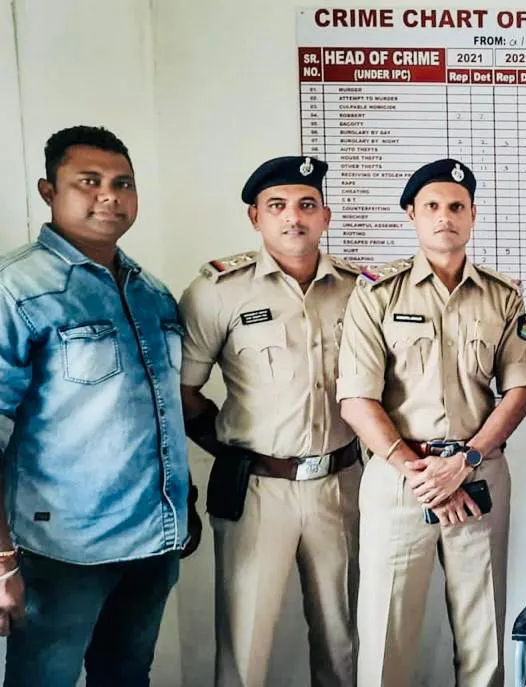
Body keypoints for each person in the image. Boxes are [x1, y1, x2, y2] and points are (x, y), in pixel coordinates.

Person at [0, 125, 192, 686]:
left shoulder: (151, 292)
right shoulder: (16, 289)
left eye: (122, 183)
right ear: (48, 191)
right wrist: (1, 561)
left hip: (152, 542)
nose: (109, 196)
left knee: (126, 676)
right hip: (60, 551)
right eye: (89, 181)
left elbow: (163, 410)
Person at [337, 158, 526, 687]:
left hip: (478, 476)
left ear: (472, 215)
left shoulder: (502, 295)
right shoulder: (377, 293)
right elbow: (356, 399)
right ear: (412, 214)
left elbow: (518, 393)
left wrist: (463, 463)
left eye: (456, 206)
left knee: (483, 639)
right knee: (386, 636)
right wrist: (423, 474)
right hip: (400, 479)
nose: (444, 216)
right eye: (432, 206)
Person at [179, 155, 362, 687]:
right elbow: (183, 392)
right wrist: (234, 451)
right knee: (245, 643)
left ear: (325, 216)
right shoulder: (218, 290)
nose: (293, 217)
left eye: (306, 205)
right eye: (277, 205)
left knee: (342, 641)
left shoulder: (360, 290)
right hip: (257, 490)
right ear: (255, 217)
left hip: (340, 485)